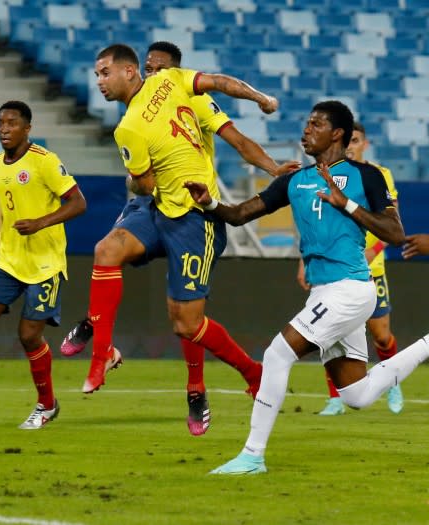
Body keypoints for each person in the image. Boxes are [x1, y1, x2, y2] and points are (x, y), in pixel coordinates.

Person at [59, 41, 300, 436]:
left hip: (196, 216)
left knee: (187, 324)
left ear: (131, 71)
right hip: (159, 209)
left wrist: (271, 157)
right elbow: (148, 188)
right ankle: (101, 348)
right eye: (97, 75)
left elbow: (229, 132)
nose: (99, 82)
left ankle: (250, 373)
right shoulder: (138, 116)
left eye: (105, 73)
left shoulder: (172, 95)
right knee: (107, 250)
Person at [185, 100, 429, 475]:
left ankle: (252, 455)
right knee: (358, 395)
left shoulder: (367, 176)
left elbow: (395, 233)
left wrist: (346, 204)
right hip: (325, 291)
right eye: (306, 123)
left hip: (349, 289)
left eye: (315, 124)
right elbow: (239, 215)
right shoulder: (294, 180)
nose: (305, 130)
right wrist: (211, 201)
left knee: (277, 355)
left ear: (338, 134)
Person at [0, 100, 87, 430]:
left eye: (12, 123)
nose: (4, 129)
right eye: (0, 123)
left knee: (29, 336)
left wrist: (41, 223)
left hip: (45, 263)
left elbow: (79, 203)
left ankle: (47, 404)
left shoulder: (46, 162)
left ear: (28, 129)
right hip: (10, 259)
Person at [296, 122, 403, 416]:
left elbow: (394, 225)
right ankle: (335, 398)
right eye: (348, 141)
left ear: (364, 144)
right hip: (333, 268)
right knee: (327, 332)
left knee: (381, 336)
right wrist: (303, 262)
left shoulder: (379, 176)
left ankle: (393, 382)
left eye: (356, 140)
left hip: (371, 268)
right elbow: (312, 223)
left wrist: (374, 250)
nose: (352, 146)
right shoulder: (326, 173)